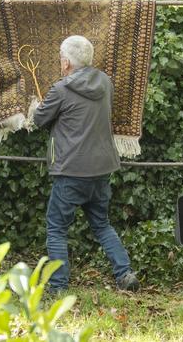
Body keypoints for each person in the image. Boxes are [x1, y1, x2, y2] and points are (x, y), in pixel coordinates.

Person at [33, 35, 139, 293]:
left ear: (67, 62)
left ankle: (57, 287)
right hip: (102, 169)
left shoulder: (61, 89)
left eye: (61, 58)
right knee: (102, 224)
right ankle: (125, 274)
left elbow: (38, 119)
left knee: (57, 229)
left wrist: (37, 105)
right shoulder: (105, 82)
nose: (60, 62)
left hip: (71, 170)